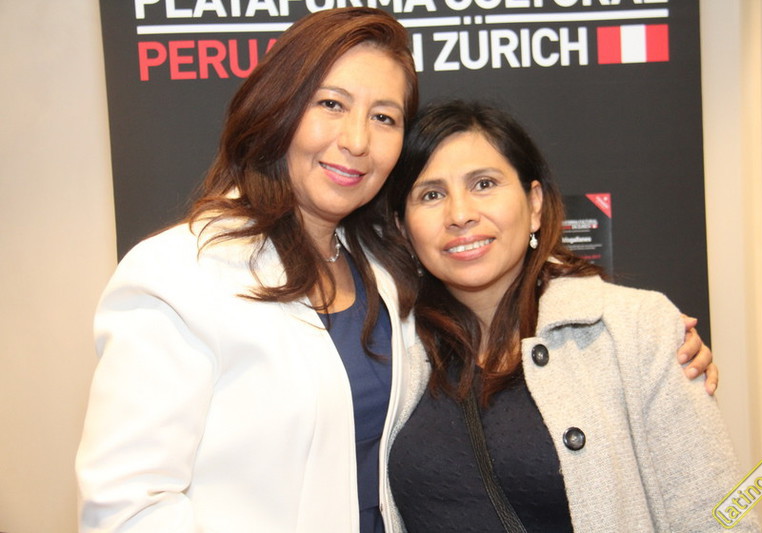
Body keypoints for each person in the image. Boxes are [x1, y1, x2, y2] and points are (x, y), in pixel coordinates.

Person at [75, 8, 716, 533]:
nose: (357, 140)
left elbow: (481, 248)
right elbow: (127, 510)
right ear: (278, 107)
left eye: (383, 117)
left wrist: (639, 331)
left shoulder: (379, 265)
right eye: (331, 104)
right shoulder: (178, 276)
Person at [380, 100, 757, 532]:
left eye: (484, 184)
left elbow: (717, 515)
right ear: (403, 227)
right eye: (431, 195)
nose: (460, 214)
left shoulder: (635, 328)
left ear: (534, 204)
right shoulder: (392, 352)